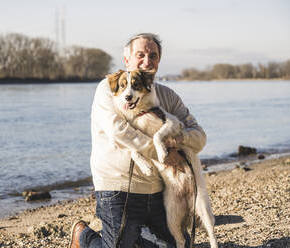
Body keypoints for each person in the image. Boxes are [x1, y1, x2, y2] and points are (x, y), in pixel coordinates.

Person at [69, 33, 206, 248]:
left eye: (153, 55)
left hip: (159, 188)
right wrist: (162, 151)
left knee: (181, 245)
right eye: (140, 54)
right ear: (127, 60)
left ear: (159, 61)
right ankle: (83, 235)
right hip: (119, 186)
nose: (147, 61)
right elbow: (119, 130)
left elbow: (199, 137)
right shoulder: (109, 88)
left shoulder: (168, 96)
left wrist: (178, 140)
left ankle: (137, 239)